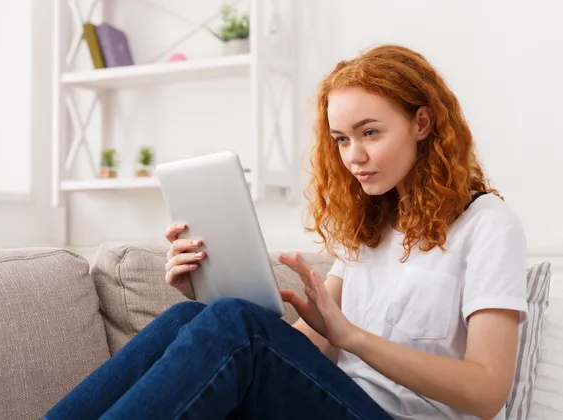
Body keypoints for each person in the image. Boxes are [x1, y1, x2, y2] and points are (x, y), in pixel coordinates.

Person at [44, 45, 528, 420]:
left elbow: (486, 392)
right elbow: (306, 350)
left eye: (370, 133)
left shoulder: (487, 224)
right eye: (341, 139)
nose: (353, 156)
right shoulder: (371, 227)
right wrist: (209, 291)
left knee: (234, 323)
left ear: (422, 123)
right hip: (330, 403)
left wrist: (352, 337)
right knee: (186, 318)